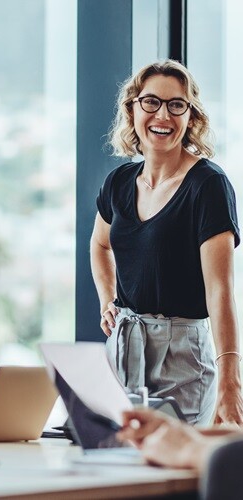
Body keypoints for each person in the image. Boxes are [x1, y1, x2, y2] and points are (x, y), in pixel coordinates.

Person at [90, 60, 243, 426]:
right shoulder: (119, 182)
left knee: (175, 470)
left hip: (183, 355)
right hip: (125, 346)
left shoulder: (208, 185)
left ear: (191, 116)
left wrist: (230, 381)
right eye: (151, 102)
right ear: (132, 109)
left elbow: (220, 289)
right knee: (120, 465)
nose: (164, 115)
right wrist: (106, 300)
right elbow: (100, 245)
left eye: (177, 105)